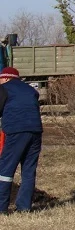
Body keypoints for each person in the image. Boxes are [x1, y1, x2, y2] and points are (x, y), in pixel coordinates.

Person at [0, 66, 43, 213]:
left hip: (17, 131)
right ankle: (24, 207)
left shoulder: (4, 88)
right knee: (29, 170)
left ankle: (1, 207)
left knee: (5, 169)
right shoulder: (31, 90)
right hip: (36, 131)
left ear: (5, 78)